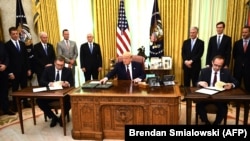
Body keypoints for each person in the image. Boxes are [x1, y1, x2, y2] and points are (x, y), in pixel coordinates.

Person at [196, 55, 239, 125]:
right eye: (215, 65)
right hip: (206, 96)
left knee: (223, 108)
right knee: (199, 105)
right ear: (212, 62)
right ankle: (206, 122)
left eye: (219, 66)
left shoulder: (226, 72)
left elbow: (236, 82)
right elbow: (197, 82)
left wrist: (231, 85)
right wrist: (200, 83)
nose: (217, 67)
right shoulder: (204, 71)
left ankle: (216, 123)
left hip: (220, 97)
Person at [36, 56, 74, 127]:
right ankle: (53, 117)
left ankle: (61, 118)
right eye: (58, 65)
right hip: (51, 94)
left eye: (62, 65)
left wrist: (67, 84)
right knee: (39, 101)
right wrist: (50, 83)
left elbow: (72, 84)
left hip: (63, 95)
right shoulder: (48, 69)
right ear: (54, 63)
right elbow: (41, 81)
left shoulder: (68, 71)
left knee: (70, 100)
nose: (60, 67)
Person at [5, 27, 32, 111]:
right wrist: (10, 73)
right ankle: (15, 106)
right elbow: (7, 60)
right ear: (10, 34)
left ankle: (26, 102)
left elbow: (26, 58)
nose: (15, 35)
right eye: (13, 34)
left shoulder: (22, 43)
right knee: (15, 89)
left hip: (23, 70)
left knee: (24, 87)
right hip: (14, 72)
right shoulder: (7, 45)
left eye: (16, 33)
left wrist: (28, 69)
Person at [232, 26, 250, 92]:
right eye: (243, 32)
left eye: (246, 32)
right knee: (236, 84)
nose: (244, 34)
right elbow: (234, 55)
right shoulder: (237, 43)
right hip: (238, 68)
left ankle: (248, 101)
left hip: (248, 69)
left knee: (248, 85)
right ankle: (235, 101)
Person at [0, 41, 15, 115]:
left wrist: (5, 65)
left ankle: (6, 109)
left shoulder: (2, 44)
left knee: (4, 92)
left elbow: (7, 56)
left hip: (3, 72)